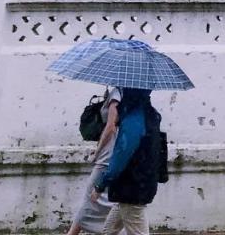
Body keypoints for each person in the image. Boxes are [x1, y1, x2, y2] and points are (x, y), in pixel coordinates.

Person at [91, 88, 164, 235]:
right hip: (137, 186)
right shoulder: (148, 114)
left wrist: (100, 185)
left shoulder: (133, 121)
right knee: (108, 231)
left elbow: (120, 159)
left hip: (131, 188)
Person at [67, 86, 121, 235]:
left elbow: (110, 126)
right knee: (104, 200)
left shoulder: (117, 94)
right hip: (116, 151)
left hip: (107, 155)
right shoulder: (127, 93)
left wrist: (97, 151)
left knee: (90, 197)